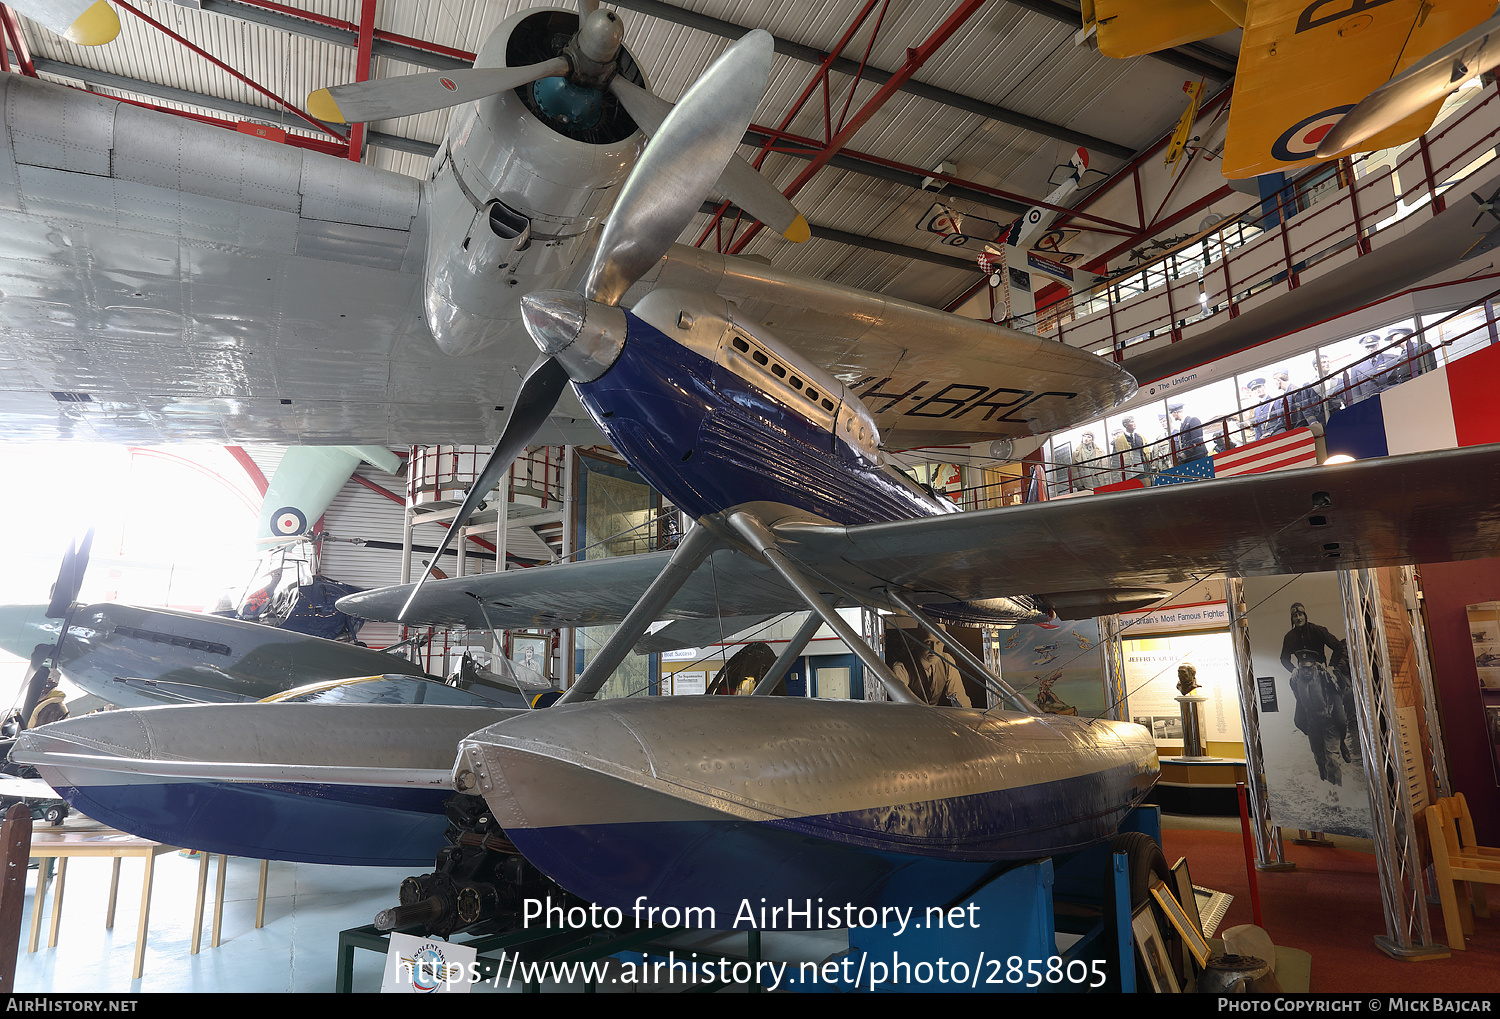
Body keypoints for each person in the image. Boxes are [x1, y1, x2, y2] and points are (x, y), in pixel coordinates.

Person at [1279, 602, 1353, 785]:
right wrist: (1293, 670)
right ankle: (1314, 733)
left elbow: (1337, 647)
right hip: (1302, 673)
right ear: (1292, 619)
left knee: (1341, 719)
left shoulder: (1318, 630)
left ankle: (1341, 743)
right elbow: (1284, 658)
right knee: (1298, 718)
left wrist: (1331, 666)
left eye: (1301, 615)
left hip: (1322, 671)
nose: (1298, 618)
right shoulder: (1289, 636)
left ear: (1305, 615)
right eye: (1295, 616)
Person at [890, 629, 971, 707]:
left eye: (938, 642)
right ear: (918, 641)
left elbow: (959, 696)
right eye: (928, 642)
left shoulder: (947, 660)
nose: (934, 649)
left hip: (935, 717)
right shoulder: (901, 667)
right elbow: (900, 704)